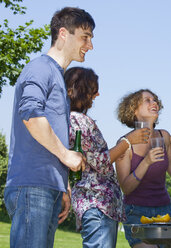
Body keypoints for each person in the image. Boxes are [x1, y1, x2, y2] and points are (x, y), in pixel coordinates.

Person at [4, 7, 95, 248]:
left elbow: (50, 131)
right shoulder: (40, 68)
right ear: (64, 33)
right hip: (32, 186)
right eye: (85, 37)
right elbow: (31, 115)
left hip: (47, 187)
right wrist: (66, 155)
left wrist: (62, 186)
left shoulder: (57, 76)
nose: (90, 45)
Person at [64, 67, 150, 247]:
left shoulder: (72, 118)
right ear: (81, 89)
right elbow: (101, 162)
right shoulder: (77, 120)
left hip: (98, 206)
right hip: (96, 204)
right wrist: (128, 141)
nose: (97, 94)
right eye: (93, 89)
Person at [115, 89, 171, 248]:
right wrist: (146, 162)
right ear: (134, 110)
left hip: (165, 210)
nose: (154, 103)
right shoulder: (125, 143)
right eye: (147, 100)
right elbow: (126, 188)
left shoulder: (164, 136)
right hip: (136, 212)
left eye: (155, 100)